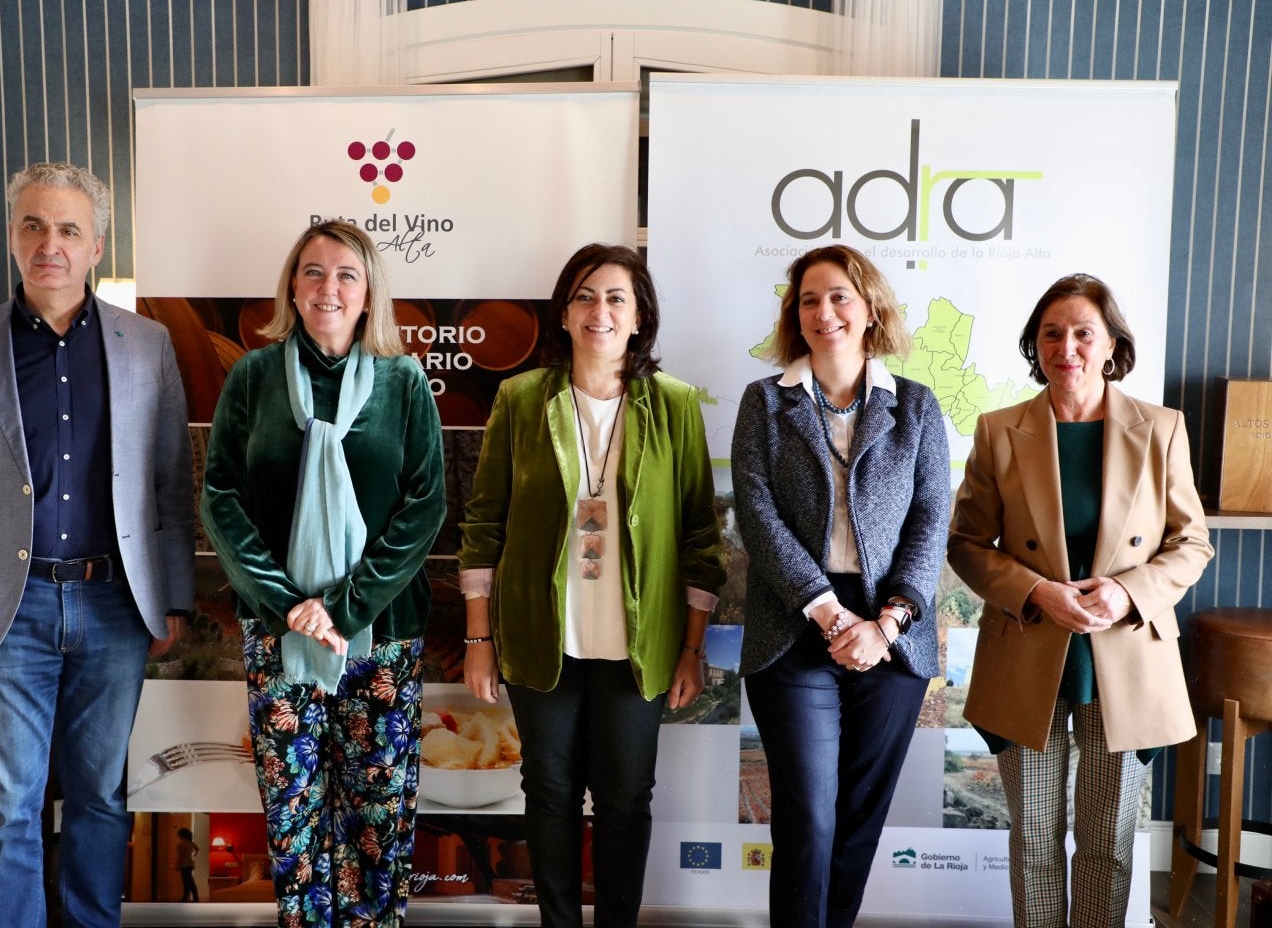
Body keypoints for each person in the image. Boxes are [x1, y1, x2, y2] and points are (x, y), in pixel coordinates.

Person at [0, 161, 194, 928]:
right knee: (7, 807)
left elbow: (171, 485)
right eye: (33, 225)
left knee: (101, 796)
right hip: (5, 609)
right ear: (12, 236)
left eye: (68, 229)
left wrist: (174, 600)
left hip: (114, 605)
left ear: (97, 244)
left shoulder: (149, 345)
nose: (49, 244)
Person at [458, 243, 725, 928]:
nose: (598, 310)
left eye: (615, 297)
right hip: (542, 636)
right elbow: (485, 520)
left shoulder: (674, 405)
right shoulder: (521, 399)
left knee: (626, 796)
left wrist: (691, 649)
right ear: (564, 313)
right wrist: (479, 637)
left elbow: (700, 534)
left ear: (639, 316)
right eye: (584, 296)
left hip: (641, 642)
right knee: (546, 790)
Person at [949, 273, 1213, 928]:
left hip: (1125, 662)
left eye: (1082, 332)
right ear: (1035, 346)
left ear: (1110, 344)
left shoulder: (1160, 429)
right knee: (1034, 842)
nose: (1066, 346)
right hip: (1029, 655)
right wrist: (1035, 590)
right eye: (1051, 333)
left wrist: (1128, 591)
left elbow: (1192, 543)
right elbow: (967, 544)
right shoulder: (999, 430)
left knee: (1109, 844)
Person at [201, 219, 444, 927]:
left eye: (346, 274)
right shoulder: (253, 377)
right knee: (293, 814)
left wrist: (342, 605)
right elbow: (220, 497)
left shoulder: (404, 383)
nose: (328, 287)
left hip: (384, 635)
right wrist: (288, 605)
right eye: (313, 271)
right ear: (292, 287)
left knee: (378, 817)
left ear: (369, 293)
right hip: (281, 639)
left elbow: (424, 508)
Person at [731, 244, 950, 928]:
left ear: (869, 309)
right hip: (796, 627)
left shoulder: (914, 406)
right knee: (808, 820)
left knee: (857, 822)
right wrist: (830, 615)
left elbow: (931, 518)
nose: (823, 311)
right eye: (808, 300)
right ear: (795, 317)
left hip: (893, 635)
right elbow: (757, 514)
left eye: (839, 296)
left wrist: (885, 622)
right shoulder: (765, 403)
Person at [176, 827, 201, 903]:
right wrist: (194, 855)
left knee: (188, 882)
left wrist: (177, 865)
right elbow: (197, 848)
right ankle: (186, 898)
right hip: (190, 864)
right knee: (188, 882)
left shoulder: (181, 844)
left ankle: (194, 898)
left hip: (184, 865)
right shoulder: (189, 842)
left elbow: (181, 856)